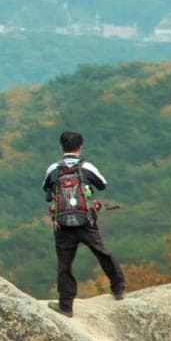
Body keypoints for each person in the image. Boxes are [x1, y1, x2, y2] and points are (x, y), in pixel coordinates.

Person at [42, 131, 125, 317]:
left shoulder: (53, 169)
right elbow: (102, 184)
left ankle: (66, 306)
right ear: (80, 147)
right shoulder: (87, 167)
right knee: (101, 253)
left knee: (64, 264)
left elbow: (47, 192)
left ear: (61, 147)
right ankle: (118, 288)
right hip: (86, 222)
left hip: (63, 225)